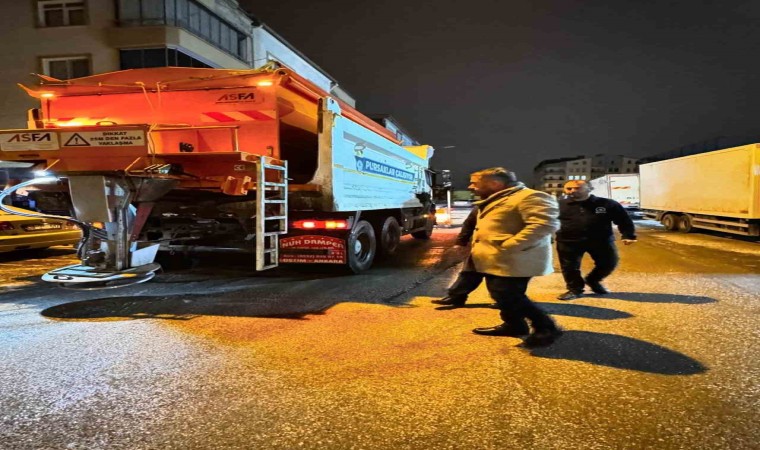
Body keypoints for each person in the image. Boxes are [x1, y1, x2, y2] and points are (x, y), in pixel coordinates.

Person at [466, 167, 562, 347]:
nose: (471, 187)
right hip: (498, 259)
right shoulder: (498, 198)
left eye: (475, 183)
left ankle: (546, 327)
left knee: (509, 295)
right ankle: (514, 325)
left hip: (515, 258)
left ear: (495, 183)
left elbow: (544, 224)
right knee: (500, 294)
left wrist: (511, 245)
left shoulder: (530, 197)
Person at [556, 180, 637, 300]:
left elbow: (623, 219)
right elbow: (547, 221)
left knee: (609, 263)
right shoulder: (557, 205)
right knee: (569, 267)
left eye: (577, 188)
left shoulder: (606, 204)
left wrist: (628, 235)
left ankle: (593, 280)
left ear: (589, 189)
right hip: (568, 241)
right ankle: (575, 289)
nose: (572, 191)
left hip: (601, 240)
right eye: (568, 188)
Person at [431, 206, 484, 307]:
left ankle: (512, 308)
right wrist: (461, 242)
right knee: (469, 273)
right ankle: (456, 297)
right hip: (482, 247)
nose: (473, 189)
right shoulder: (482, 205)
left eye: (480, 188)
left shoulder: (517, 199)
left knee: (502, 280)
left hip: (507, 250)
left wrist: (512, 243)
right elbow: (469, 224)